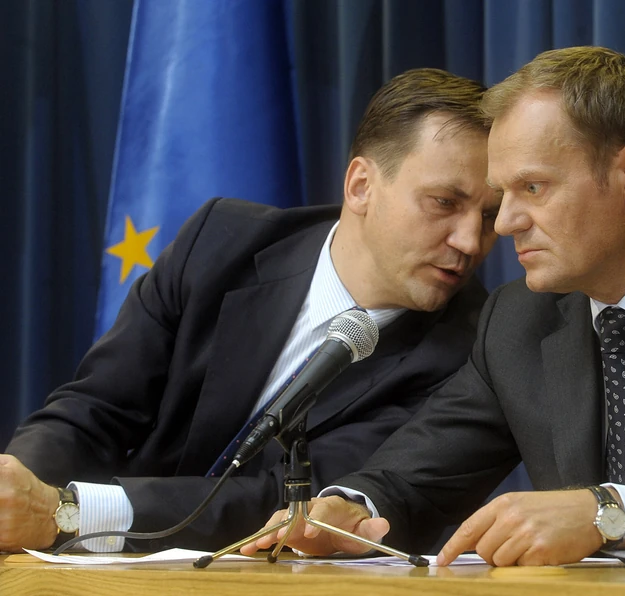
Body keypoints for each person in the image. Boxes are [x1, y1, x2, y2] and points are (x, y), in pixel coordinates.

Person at [243, 46, 625, 567]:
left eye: (532, 188)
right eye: (502, 196)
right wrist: (348, 511)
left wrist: (607, 514)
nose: (506, 224)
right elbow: (413, 479)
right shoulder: (519, 319)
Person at [0, 68, 501, 553]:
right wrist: (16, 491)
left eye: (489, 215)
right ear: (360, 186)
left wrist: (66, 513)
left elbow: (291, 506)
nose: (469, 241)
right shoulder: (221, 243)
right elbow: (94, 410)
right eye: (443, 202)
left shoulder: (474, 351)